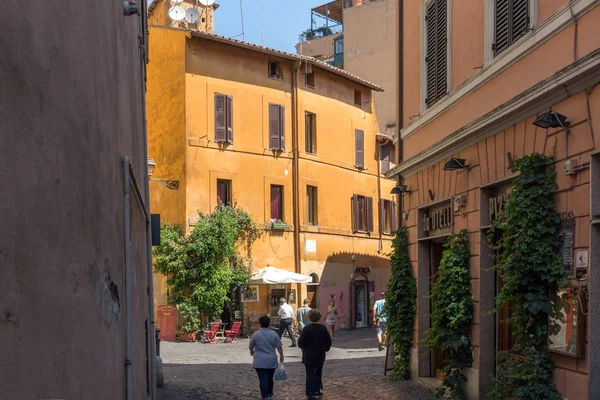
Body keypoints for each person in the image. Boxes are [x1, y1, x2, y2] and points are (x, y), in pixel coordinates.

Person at [299, 309, 332, 400]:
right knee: (318, 372)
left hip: (308, 355)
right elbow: (328, 341)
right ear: (319, 317)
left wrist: (303, 347)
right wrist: (325, 349)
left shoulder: (306, 328)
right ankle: (317, 390)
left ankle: (310, 392)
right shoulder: (323, 328)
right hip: (320, 354)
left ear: (309, 318)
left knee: (309, 373)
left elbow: (300, 342)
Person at [249, 315, 285, 400]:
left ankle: (264, 396)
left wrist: (251, 352)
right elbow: (279, 346)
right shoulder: (274, 334)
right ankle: (269, 393)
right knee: (270, 378)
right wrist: (282, 356)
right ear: (269, 324)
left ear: (260, 323)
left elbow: (251, 346)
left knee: (262, 379)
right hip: (271, 359)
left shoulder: (256, 334)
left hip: (259, 360)